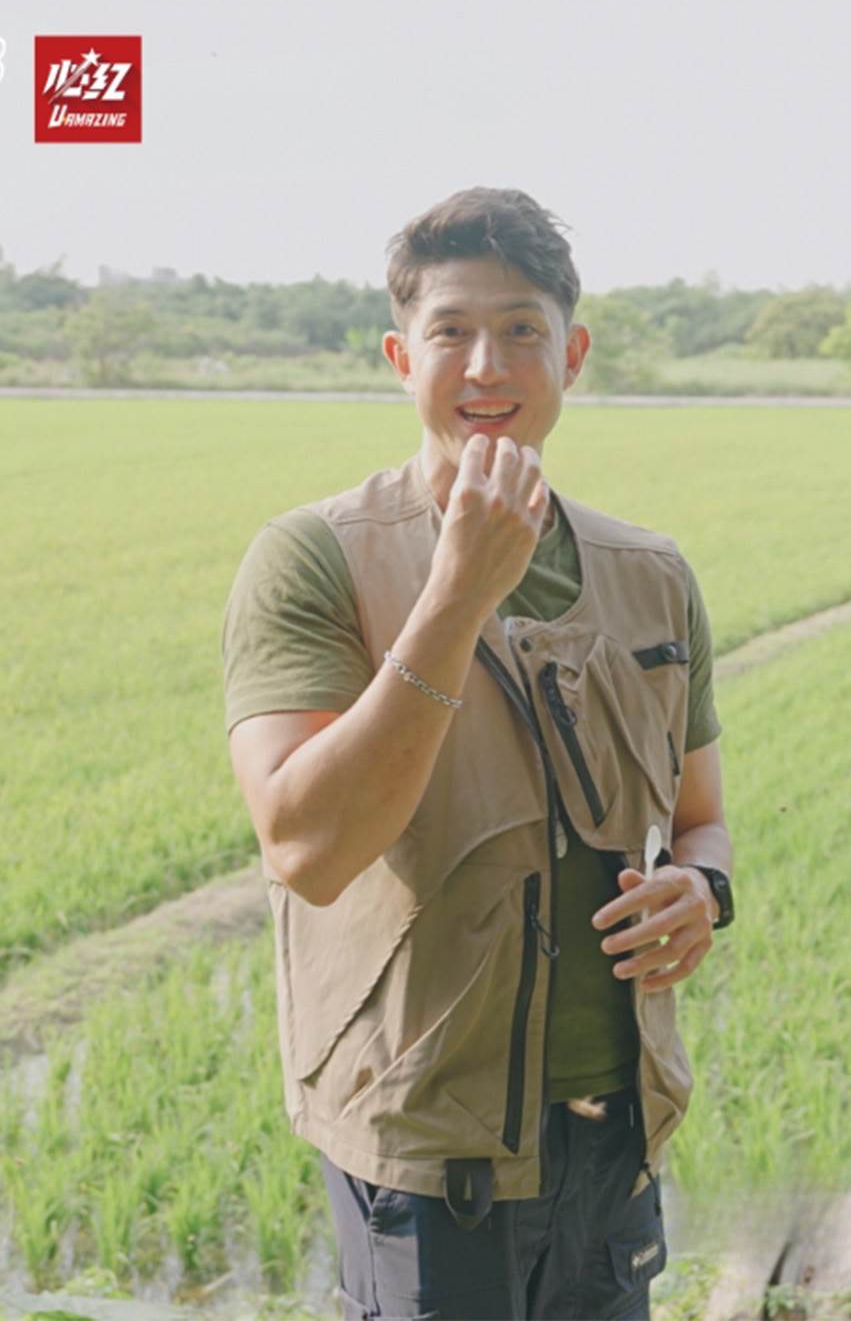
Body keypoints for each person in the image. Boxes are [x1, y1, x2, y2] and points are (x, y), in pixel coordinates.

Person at [221, 188, 735, 1320]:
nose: (486, 363)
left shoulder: (650, 573)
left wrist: (705, 886)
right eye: (452, 331)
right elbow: (306, 847)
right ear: (403, 356)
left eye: (521, 329)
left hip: (614, 1136)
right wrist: (457, 591)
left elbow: (701, 813)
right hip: (425, 1154)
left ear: (574, 353)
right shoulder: (315, 561)